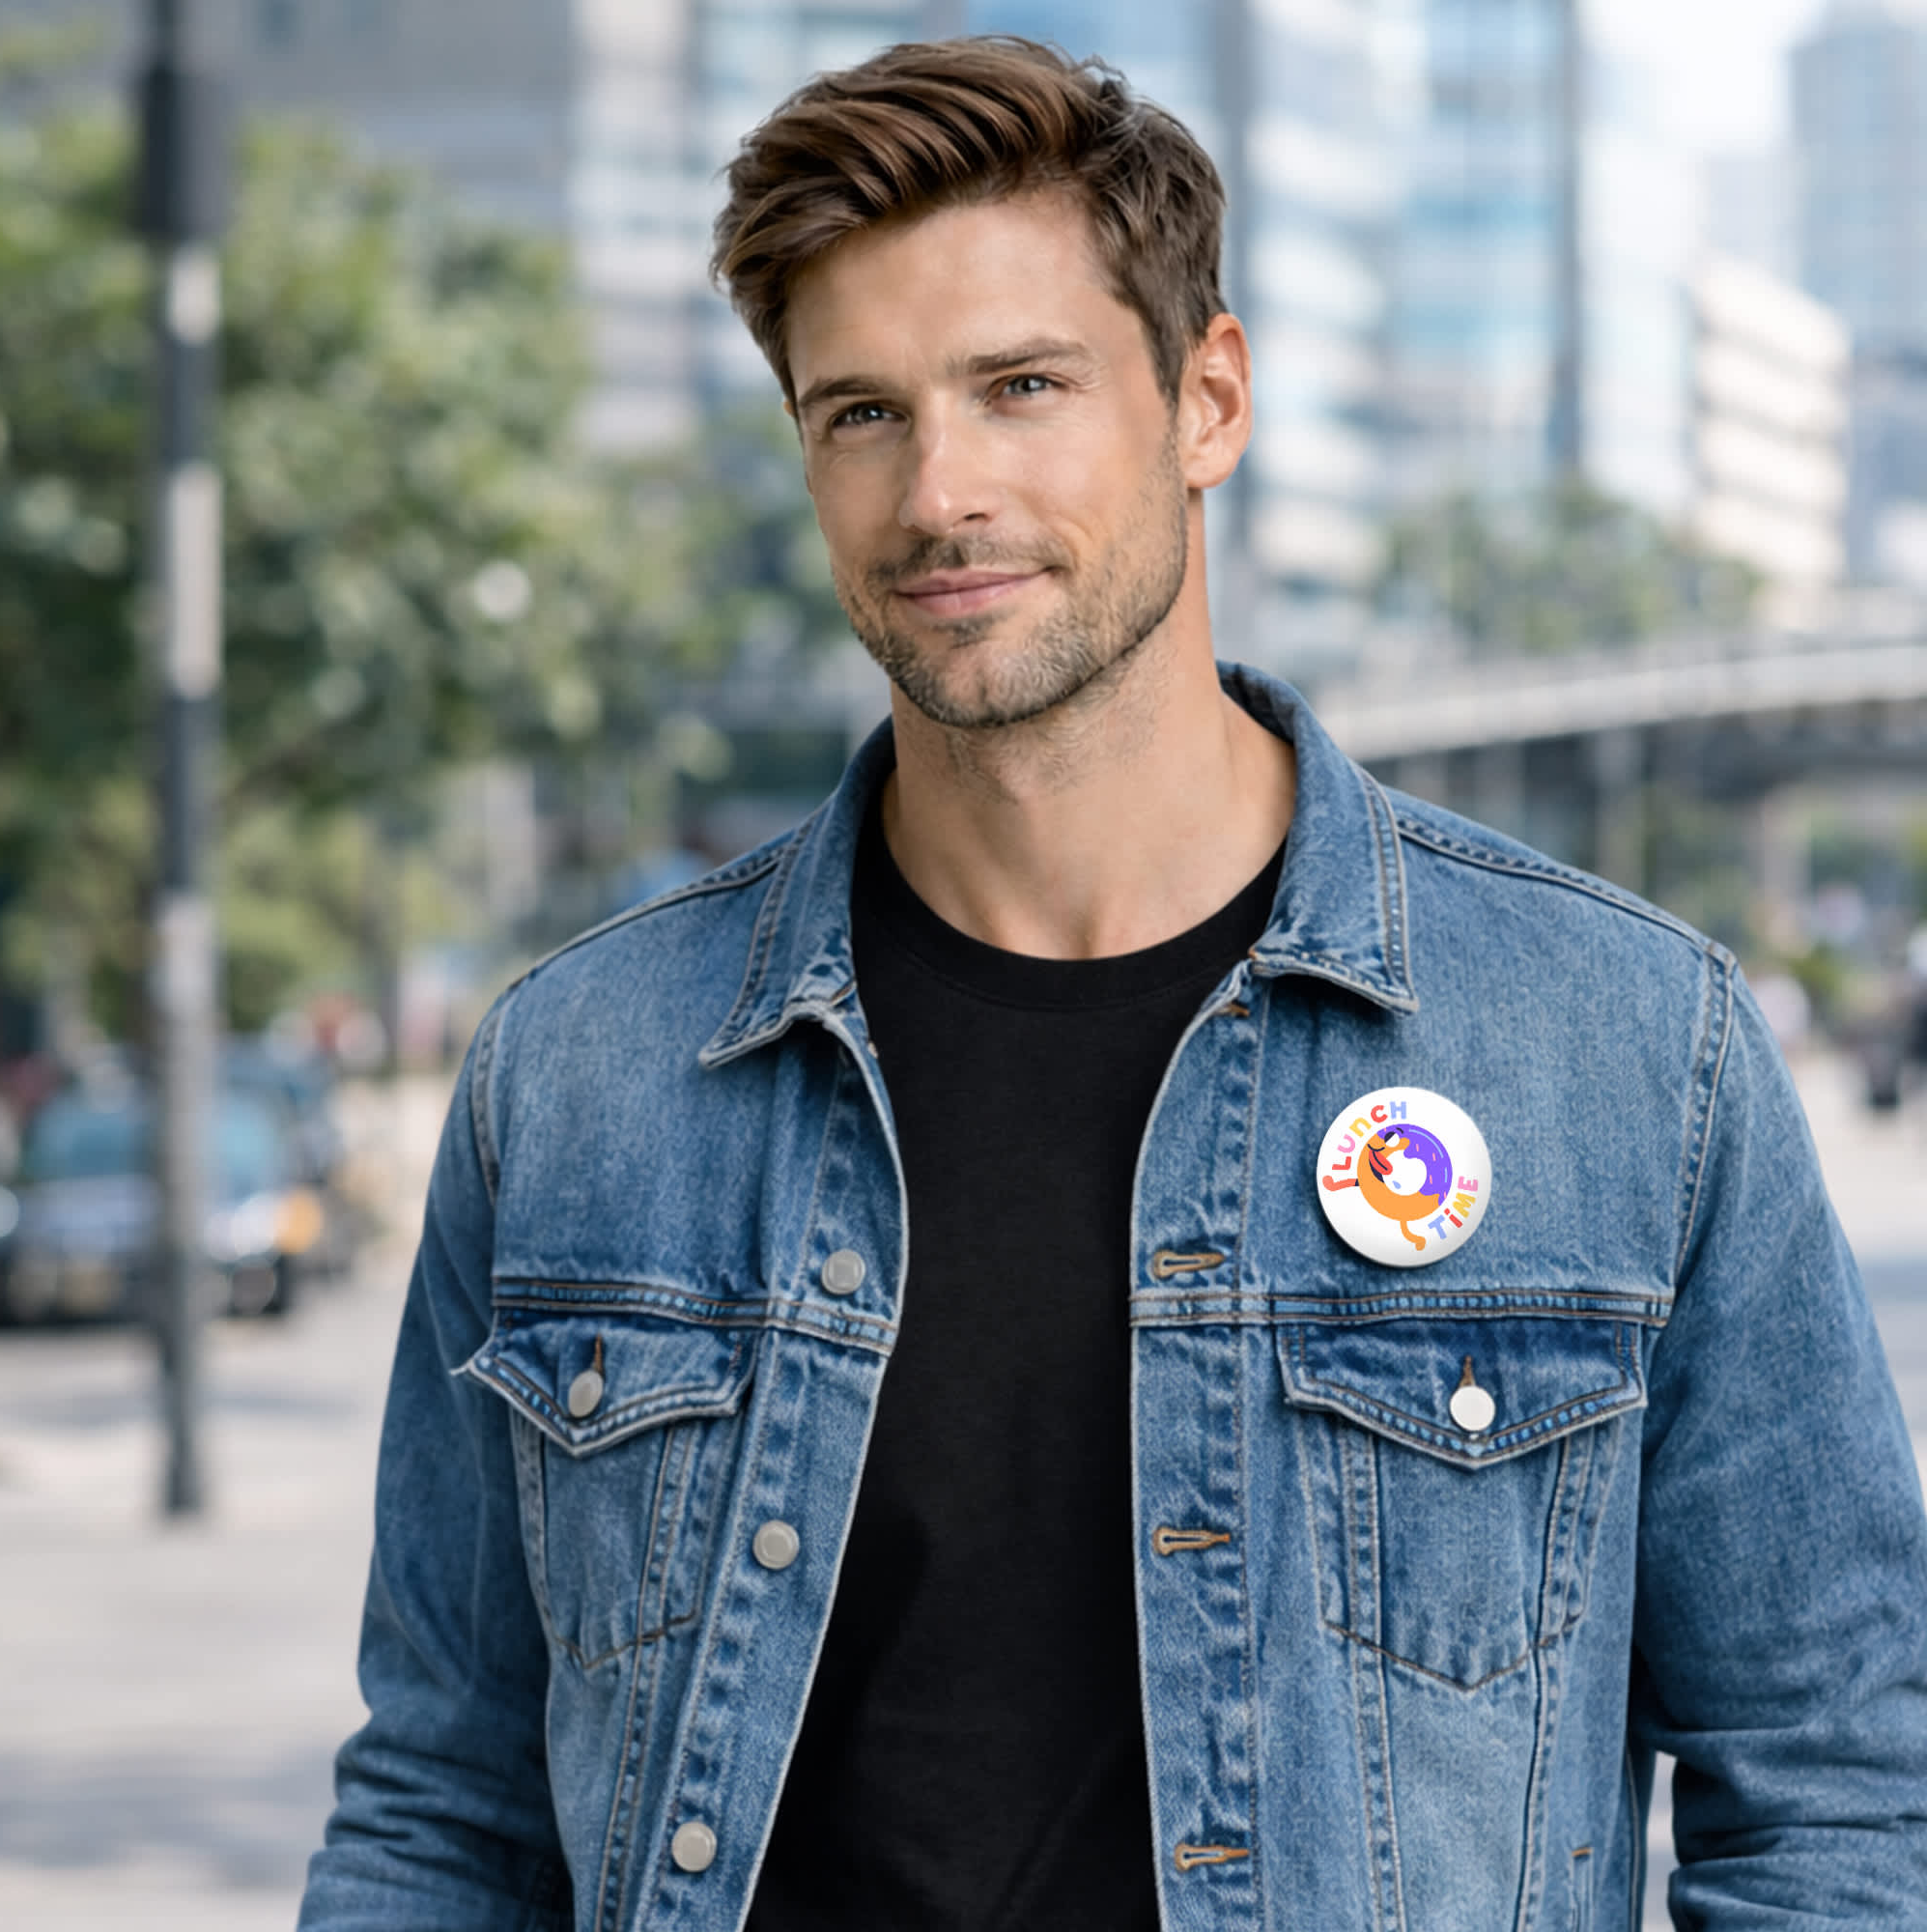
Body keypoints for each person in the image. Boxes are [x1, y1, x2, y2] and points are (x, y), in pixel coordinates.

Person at [299, 37, 1927, 1932]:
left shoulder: (1627, 1053)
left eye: (1020, 388)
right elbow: (442, 1818)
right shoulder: (580, 1075)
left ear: (1205, 397)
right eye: (860, 415)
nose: (939, 493)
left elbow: (1836, 1803)